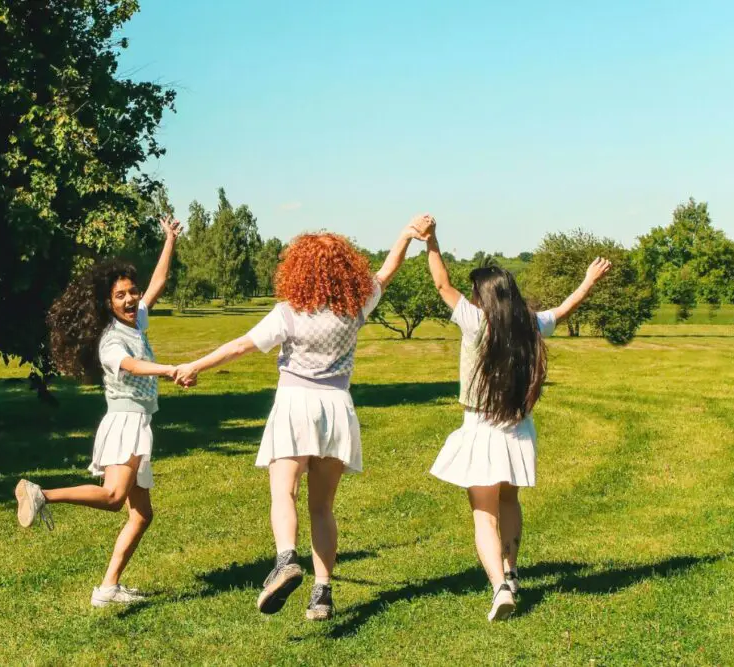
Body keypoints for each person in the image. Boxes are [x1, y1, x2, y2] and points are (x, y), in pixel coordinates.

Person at [173, 216, 433, 621]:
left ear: (299, 269)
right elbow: (387, 271)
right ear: (347, 268)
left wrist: (195, 366)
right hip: (336, 408)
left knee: (284, 492)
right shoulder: (356, 308)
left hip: (295, 405)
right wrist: (405, 235)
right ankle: (322, 593)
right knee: (323, 508)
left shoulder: (288, 313)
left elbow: (241, 346)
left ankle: (286, 559)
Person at [423, 219, 611, 621]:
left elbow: (442, 284)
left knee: (483, 513)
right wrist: (588, 281)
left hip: (483, 429)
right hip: (520, 431)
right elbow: (565, 308)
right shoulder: (530, 325)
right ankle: (512, 570)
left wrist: (432, 241)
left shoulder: (476, 323)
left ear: (484, 297)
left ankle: (500, 588)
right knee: (510, 500)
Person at [14, 217, 185, 607]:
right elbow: (130, 366)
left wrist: (169, 241)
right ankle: (42, 494)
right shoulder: (110, 340)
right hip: (126, 423)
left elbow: (158, 283)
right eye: (121, 295)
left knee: (141, 515)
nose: (130, 299)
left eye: (131, 292)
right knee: (112, 497)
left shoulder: (136, 321)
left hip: (138, 421)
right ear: (108, 302)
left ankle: (108, 589)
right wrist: (168, 369)